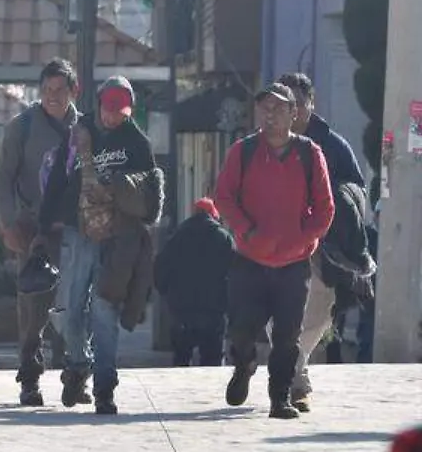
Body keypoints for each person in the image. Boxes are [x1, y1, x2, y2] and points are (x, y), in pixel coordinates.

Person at [44, 75, 164, 415]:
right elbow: (58, 177)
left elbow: (151, 197)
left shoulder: (138, 142)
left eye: (121, 111)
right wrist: (45, 222)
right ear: (98, 103)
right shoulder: (78, 132)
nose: (114, 117)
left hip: (117, 238)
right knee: (70, 307)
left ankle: (104, 387)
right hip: (78, 233)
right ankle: (78, 364)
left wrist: (119, 191)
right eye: (109, 109)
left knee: (104, 310)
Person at [214, 82, 335, 419]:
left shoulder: (310, 154)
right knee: (241, 328)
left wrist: (303, 240)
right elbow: (224, 197)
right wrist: (248, 230)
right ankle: (244, 364)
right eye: (265, 107)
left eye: (280, 107)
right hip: (249, 260)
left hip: (293, 264)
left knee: (287, 338)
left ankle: (279, 398)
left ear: (294, 114)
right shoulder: (244, 151)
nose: (271, 113)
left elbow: (325, 209)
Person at [274, 73, 366, 412]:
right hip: (273, 245)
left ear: (312, 104)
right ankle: (296, 379)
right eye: (287, 104)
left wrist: (335, 203)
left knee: (319, 310)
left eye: (300, 103)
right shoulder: (263, 142)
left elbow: (357, 189)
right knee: (278, 313)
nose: (294, 111)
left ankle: (295, 373)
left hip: (321, 245)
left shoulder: (332, 144)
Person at [0, 58, 80, 407]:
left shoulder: (85, 128)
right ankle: (29, 376)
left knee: (77, 303)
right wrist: (9, 222)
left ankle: (77, 371)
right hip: (32, 228)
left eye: (60, 90)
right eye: (46, 90)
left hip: (74, 228)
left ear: (74, 91)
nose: (53, 97)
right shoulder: (21, 127)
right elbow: (2, 179)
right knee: (33, 305)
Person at [153, 197, 236, 367]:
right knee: (212, 361)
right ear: (214, 215)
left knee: (181, 359)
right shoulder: (224, 238)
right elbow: (237, 272)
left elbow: (160, 268)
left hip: (182, 310)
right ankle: (211, 392)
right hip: (214, 310)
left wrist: (167, 293)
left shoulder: (177, 237)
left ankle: (180, 391)